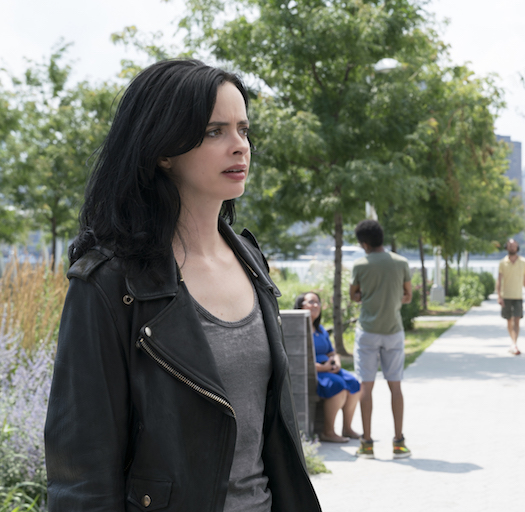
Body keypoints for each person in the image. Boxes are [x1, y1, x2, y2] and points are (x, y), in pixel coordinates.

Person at [44, 60, 321, 511]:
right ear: (163, 150)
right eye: (214, 132)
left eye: (243, 130)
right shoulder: (109, 284)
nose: (240, 146)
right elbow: (81, 474)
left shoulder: (252, 262)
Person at [348, 219, 413, 459]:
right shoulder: (401, 262)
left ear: (364, 243)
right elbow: (408, 296)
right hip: (393, 330)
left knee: (366, 386)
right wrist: (394, 299)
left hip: (367, 331)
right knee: (395, 386)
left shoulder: (360, 265)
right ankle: (399, 443)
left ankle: (367, 444)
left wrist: (365, 296)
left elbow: (354, 295)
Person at [296, 291, 361, 443]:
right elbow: (298, 360)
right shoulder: (298, 331)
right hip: (315, 373)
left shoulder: (320, 330)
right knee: (338, 385)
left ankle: (347, 428)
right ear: (300, 306)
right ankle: (328, 432)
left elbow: (332, 352)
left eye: (317, 302)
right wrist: (322, 368)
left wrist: (336, 362)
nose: (315, 305)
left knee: (354, 383)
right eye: (311, 302)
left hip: (329, 369)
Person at [496, 239, 525, 355]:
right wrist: (499, 296)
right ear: (506, 247)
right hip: (506, 296)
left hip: (518, 296)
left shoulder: (523, 262)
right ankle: (513, 342)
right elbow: (499, 280)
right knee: (509, 320)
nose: (512, 247)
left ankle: (514, 343)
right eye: (510, 246)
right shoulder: (502, 263)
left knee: (517, 320)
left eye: (514, 245)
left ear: (517, 247)